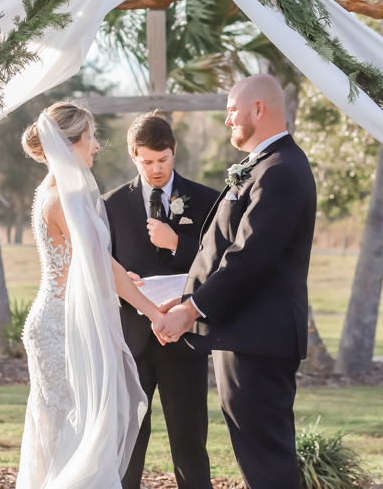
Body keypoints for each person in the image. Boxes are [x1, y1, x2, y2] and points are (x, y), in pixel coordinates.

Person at [155, 75, 317, 489]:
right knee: (258, 458)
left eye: (232, 110)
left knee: (267, 462)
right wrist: (185, 296)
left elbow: (249, 257)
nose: (228, 120)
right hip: (244, 334)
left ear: (258, 109)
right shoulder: (265, 165)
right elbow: (220, 248)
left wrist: (191, 310)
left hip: (258, 340)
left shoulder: (280, 170)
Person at [15, 101, 166, 489]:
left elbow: (91, 264)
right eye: (91, 137)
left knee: (72, 429)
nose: (97, 144)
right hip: (61, 328)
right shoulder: (62, 198)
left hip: (64, 319)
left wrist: (122, 278)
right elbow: (102, 267)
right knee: (71, 431)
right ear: (69, 145)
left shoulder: (54, 190)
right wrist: (154, 312)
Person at [102, 112, 220, 489]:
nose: (156, 169)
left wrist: (178, 244)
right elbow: (100, 265)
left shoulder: (207, 200)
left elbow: (220, 263)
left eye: (163, 160)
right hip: (131, 341)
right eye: (147, 161)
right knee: (128, 444)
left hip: (184, 340)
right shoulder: (110, 204)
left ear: (174, 150)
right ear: (133, 156)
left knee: (190, 445)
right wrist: (121, 277)